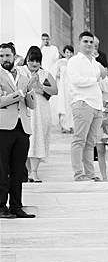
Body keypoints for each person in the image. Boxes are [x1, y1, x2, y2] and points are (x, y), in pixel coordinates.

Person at [67, 31, 108, 182]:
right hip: (82, 103)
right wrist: (96, 78)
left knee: (90, 143)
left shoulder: (96, 62)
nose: (88, 44)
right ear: (79, 43)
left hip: (97, 106)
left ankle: (90, 174)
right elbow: (76, 80)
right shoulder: (74, 61)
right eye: (85, 41)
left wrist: (104, 76)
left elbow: (106, 87)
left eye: (91, 42)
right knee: (79, 140)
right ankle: (79, 174)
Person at [0, 41, 36, 218]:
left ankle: (16, 206)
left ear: (14, 56)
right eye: (1, 55)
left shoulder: (23, 77)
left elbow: (32, 105)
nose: (4, 59)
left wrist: (29, 92)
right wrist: (21, 93)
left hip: (22, 128)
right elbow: (0, 101)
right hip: (3, 127)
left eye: (7, 55)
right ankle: (1, 207)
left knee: (18, 169)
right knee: (1, 169)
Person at [23, 46, 58, 183]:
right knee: (26, 139)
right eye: (32, 60)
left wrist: (41, 87)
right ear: (27, 59)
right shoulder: (21, 71)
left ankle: (34, 172)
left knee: (39, 138)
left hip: (41, 108)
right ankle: (28, 171)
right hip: (26, 108)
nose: (34, 64)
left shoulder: (44, 74)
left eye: (37, 61)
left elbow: (55, 90)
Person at [54, 45, 74, 133]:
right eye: (67, 52)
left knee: (71, 105)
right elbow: (55, 73)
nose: (69, 54)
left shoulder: (74, 62)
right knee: (63, 104)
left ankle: (71, 125)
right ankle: (64, 126)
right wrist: (58, 75)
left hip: (72, 86)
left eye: (70, 52)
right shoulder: (60, 62)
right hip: (62, 87)